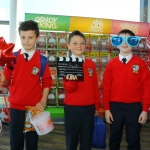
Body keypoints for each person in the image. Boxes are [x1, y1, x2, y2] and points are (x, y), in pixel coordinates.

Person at [0, 20, 52, 150]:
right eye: (23, 37)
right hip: (15, 108)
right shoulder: (12, 58)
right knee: (15, 143)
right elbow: (6, 83)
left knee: (32, 143)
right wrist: (3, 79)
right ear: (20, 37)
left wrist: (43, 100)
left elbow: (47, 82)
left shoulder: (42, 60)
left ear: (37, 38)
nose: (26, 41)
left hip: (34, 109)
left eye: (30, 37)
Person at [102, 29, 150, 150]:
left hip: (135, 108)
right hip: (115, 107)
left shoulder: (141, 64)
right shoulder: (111, 65)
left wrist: (145, 110)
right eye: (120, 40)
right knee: (114, 138)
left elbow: (147, 88)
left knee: (134, 139)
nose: (124, 43)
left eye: (128, 40)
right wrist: (107, 109)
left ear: (133, 42)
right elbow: (106, 87)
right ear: (116, 43)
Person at [63, 30, 100, 150]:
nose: (79, 46)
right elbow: (68, 89)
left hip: (89, 108)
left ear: (85, 45)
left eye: (82, 43)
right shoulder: (66, 64)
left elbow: (95, 86)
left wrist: (96, 106)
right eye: (75, 43)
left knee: (86, 140)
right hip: (72, 109)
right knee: (71, 140)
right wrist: (73, 81)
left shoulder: (91, 64)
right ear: (68, 46)